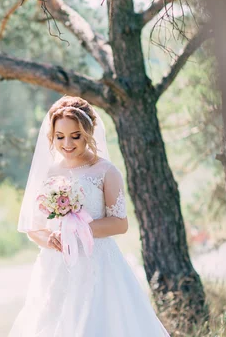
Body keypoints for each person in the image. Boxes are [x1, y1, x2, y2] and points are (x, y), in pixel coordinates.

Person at [9, 96, 170, 337]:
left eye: (75, 136)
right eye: (60, 137)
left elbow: (120, 223)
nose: (67, 144)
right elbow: (35, 228)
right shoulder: (49, 172)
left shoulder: (106, 171)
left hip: (98, 262)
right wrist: (50, 239)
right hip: (57, 265)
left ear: (89, 132)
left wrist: (77, 229)